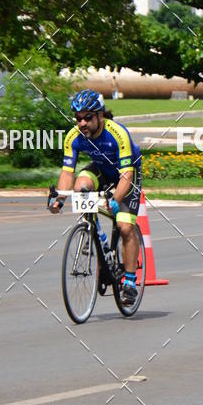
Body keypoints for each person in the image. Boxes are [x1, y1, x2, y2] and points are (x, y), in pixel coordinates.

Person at [50, 89, 142, 306]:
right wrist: (60, 199)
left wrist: (114, 201)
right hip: (101, 170)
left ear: (100, 115)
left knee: (125, 227)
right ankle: (91, 228)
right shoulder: (74, 136)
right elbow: (67, 172)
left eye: (88, 117)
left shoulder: (117, 134)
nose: (82, 123)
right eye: (78, 118)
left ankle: (129, 282)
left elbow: (127, 175)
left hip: (126, 175)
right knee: (81, 185)